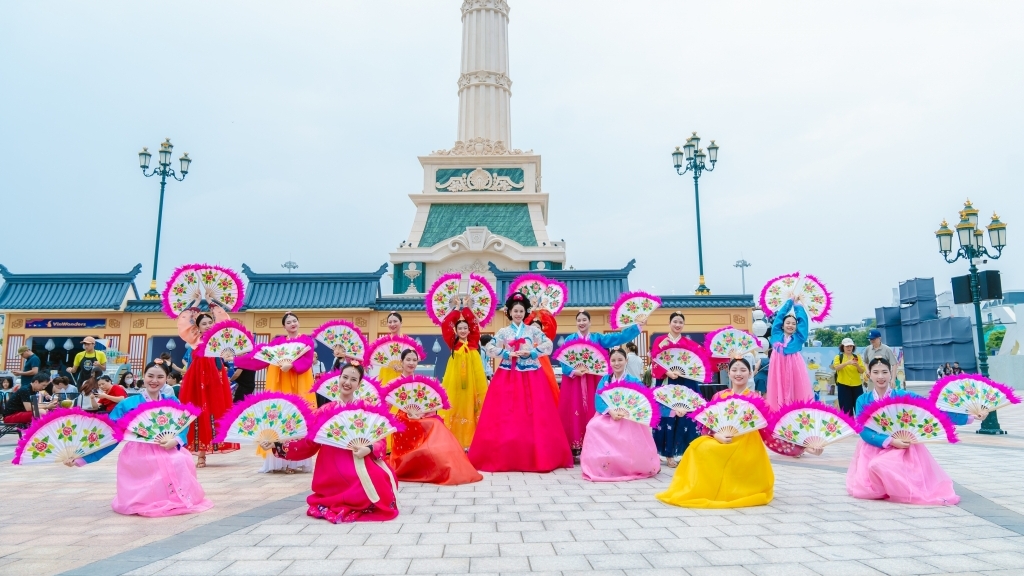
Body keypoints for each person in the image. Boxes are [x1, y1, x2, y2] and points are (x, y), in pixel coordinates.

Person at [264, 361, 399, 523]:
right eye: (345, 377)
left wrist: (369, 448)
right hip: (332, 465)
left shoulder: (366, 409)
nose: (347, 383)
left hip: (360, 458)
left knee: (380, 480)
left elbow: (380, 439)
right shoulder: (325, 410)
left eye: (353, 379)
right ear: (339, 379)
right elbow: (307, 441)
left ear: (359, 384)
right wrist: (276, 444)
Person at [76, 360, 213, 517]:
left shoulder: (172, 402)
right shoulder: (128, 404)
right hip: (138, 450)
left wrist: (176, 440)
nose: (154, 381)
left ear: (166, 378)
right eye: (151, 376)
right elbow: (110, 434)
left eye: (160, 377)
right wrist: (82, 457)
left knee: (180, 460)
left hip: (167, 446)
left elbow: (182, 425)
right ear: (143, 376)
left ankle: (174, 499)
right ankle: (145, 502)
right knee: (147, 464)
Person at [846, 357, 974, 505]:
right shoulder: (863, 399)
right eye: (876, 372)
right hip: (874, 445)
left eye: (884, 372)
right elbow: (862, 429)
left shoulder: (903, 396)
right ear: (869, 374)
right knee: (874, 470)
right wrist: (890, 441)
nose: (880, 376)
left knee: (882, 465)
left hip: (904, 446)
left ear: (890, 374)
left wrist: (968, 418)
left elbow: (932, 409)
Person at [469, 292, 573, 472]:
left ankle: (536, 453)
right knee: (506, 412)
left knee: (535, 412)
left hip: (532, 374)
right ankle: (507, 454)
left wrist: (532, 353)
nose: (518, 313)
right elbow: (489, 347)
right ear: (509, 312)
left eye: (521, 310)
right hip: (507, 373)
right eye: (515, 310)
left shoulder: (533, 331)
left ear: (526, 313)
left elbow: (548, 345)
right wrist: (506, 354)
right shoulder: (503, 332)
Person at [656, 358, 775, 509]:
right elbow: (708, 425)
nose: (738, 373)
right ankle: (701, 485)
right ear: (728, 372)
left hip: (746, 443)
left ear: (750, 373)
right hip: (721, 438)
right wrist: (717, 435)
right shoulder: (719, 396)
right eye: (735, 370)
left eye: (743, 370)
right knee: (697, 446)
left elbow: (770, 429)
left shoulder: (757, 399)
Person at [558, 309, 644, 459]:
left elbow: (618, 337)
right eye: (579, 320)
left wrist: (636, 327)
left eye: (585, 320)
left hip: (593, 379)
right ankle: (574, 447)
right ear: (576, 323)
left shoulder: (597, 338)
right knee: (574, 409)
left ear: (590, 322)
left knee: (593, 408)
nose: (582, 323)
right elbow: (563, 360)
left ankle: (593, 445)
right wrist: (573, 371)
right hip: (575, 381)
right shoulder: (569, 340)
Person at [238, 312, 318, 474]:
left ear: (298, 323)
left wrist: (293, 365)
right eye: (289, 322)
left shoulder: (305, 341)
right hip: (280, 385)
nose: (292, 323)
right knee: (279, 417)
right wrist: (236, 359)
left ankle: (295, 461)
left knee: (296, 417)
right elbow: (259, 358)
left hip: (299, 386)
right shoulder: (278, 342)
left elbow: (307, 360)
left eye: (295, 320)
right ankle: (277, 462)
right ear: (284, 326)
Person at [388, 349, 483, 484]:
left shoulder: (422, 382)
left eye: (414, 360)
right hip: (403, 419)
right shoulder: (394, 383)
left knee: (436, 424)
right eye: (408, 360)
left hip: (420, 417)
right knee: (428, 424)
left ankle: (449, 463)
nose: (411, 363)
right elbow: (385, 407)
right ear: (402, 362)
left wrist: (421, 413)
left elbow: (431, 407)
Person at [580, 348, 660, 481]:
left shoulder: (633, 381)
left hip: (628, 418)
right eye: (613, 360)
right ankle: (602, 465)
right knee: (593, 426)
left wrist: (625, 413)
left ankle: (628, 465)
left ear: (626, 361)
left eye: (620, 360)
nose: (617, 363)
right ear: (609, 362)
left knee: (628, 433)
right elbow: (598, 398)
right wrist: (611, 411)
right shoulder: (605, 380)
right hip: (607, 415)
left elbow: (641, 401)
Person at [177, 306, 238, 467]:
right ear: (197, 327)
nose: (208, 325)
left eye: (210, 322)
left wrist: (214, 305)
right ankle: (201, 454)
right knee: (198, 414)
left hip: (215, 380)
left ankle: (213, 443)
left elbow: (225, 322)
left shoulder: (218, 340)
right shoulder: (194, 340)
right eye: (204, 323)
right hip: (196, 381)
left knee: (214, 412)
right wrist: (194, 305)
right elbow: (184, 323)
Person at [649, 313, 702, 468]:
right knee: (667, 418)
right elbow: (655, 360)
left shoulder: (688, 343)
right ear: (669, 323)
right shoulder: (660, 341)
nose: (678, 325)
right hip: (667, 382)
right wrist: (667, 372)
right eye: (675, 322)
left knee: (684, 417)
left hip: (685, 383)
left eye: (680, 322)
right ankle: (668, 454)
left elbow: (695, 364)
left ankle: (683, 452)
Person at [438, 302, 489, 449]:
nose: (462, 330)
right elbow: (445, 325)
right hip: (455, 376)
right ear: (456, 330)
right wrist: (455, 310)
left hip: (474, 374)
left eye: (465, 328)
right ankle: (454, 438)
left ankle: (473, 438)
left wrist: (466, 309)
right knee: (456, 400)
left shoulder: (473, 340)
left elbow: (474, 325)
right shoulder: (452, 342)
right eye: (459, 328)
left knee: (473, 399)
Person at [766, 294, 813, 411]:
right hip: (778, 365)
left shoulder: (798, 338)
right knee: (778, 387)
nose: (790, 325)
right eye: (788, 323)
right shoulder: (776, 335)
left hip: (794, 364)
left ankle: (795, 411)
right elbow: (778, 318)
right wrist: (789, 302)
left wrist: (797, 307)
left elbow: (803, 323)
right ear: (782, 325)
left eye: (793, 323)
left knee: (795, 388)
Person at [525, 308, 560, 405]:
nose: (535, 330)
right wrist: (532, 312)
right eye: (533, 327)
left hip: (544, 368)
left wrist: (541, 312)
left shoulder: (545, 341)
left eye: (538, 328)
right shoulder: (525, 342)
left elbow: (551, 325)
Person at [831, 338, 867, 416]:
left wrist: (857, 365)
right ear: (842, 347)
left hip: (857, 385)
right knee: (846, 409)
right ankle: (849, 425)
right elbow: (836, 367)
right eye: (847, 346)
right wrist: (847, 363)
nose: (849, 348)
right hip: (843, 385)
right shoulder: (838, 357)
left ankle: (860, 426)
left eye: (851, 346)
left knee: (859, 407)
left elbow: (861, 371)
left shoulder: (857, 357)